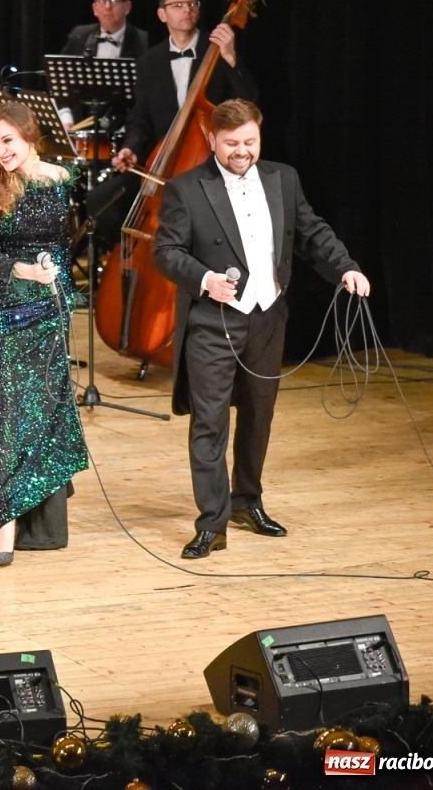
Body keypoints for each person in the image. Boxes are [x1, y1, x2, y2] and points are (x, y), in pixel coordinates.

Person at [153, 99, 368, 560]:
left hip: (268, 318)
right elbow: (165, 252)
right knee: (210, 422)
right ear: (212, 139)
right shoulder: (185, 188)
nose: (242, 151)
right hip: (213, 322)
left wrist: (346, 268)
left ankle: (246, 502)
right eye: (232, 143)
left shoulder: (282, 178)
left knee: (258, 416)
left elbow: (313, 233)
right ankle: (211, 523)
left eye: (250, 141)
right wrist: (205, 280)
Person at [0, 103, 88, 567]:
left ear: (30, 136)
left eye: (7, 141)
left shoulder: (60, 179)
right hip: (5, 310)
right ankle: (6, 522)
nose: (0, 151)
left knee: (48, 408)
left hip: (51, 307)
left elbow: (63, 243)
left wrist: (56, 281)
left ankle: (46, 521)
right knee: (10, 414)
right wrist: (26, 271)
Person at [80, 0, 257, 257]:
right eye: (177, 5)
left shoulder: (218, 49)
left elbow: (249, 103)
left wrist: (231, 58)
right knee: (99, 201)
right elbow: (141, 118)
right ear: (162, 14)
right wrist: (131, 148)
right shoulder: (150, 61)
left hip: (207, 164)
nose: (186, 10)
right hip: (161, 165)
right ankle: (140, 258)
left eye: (191, 4)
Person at [60, 0, 149, 59]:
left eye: (114, 0)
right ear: (94, 9)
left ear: (127, 7)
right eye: (101, 1)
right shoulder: (79, 36)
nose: (107, 7)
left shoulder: (145, 40)